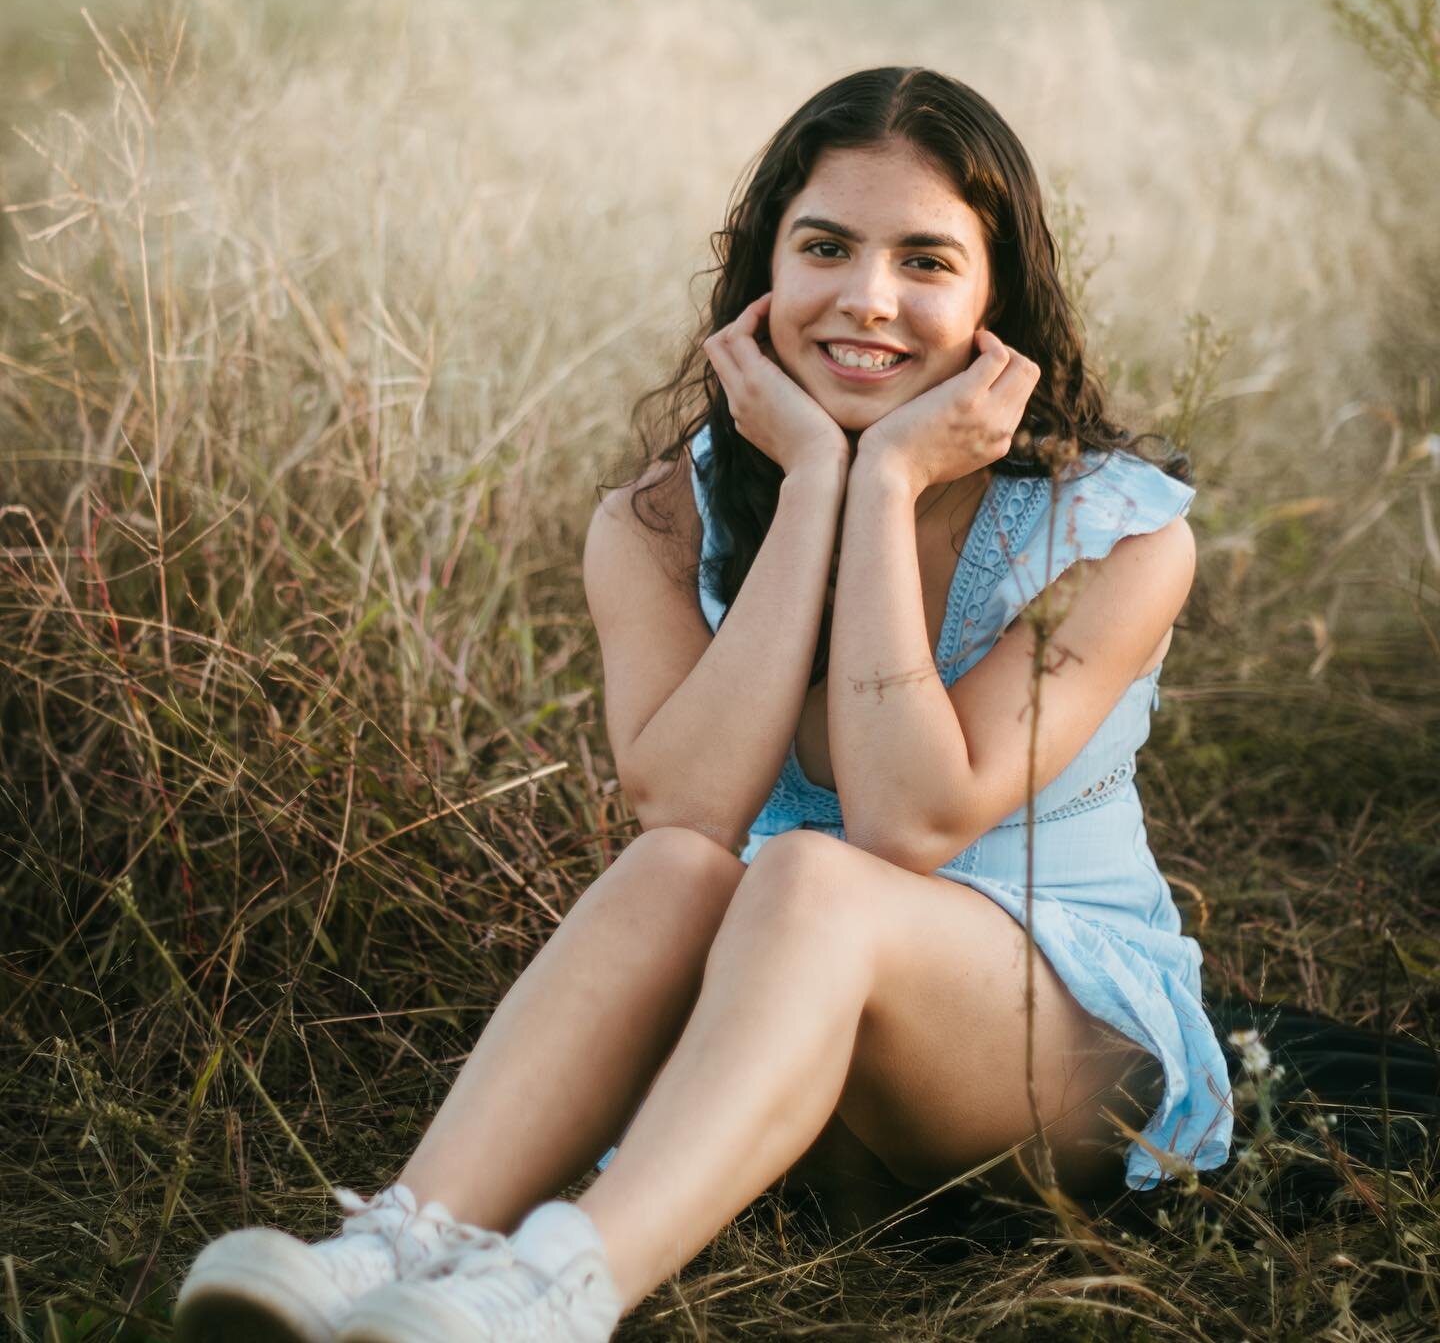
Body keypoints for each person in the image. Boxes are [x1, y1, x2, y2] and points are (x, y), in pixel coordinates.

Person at [174, 66, 1234, 1343]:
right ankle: (400, 1241)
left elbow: (906, 823)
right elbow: (682, 806)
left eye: (928, 261)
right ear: (761, 274)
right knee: (689, 869)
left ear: (998, 303)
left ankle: (555, 1293)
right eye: (826, 247)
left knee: (808, 876)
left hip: (1054, 1051)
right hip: (785, 1036)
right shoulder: (655, 523)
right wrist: (811, 495)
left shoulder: (1110, 535)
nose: (868, 299)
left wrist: (889, 481)